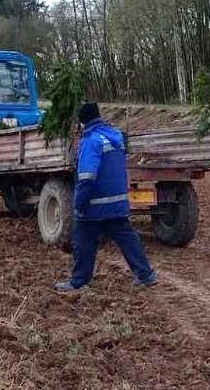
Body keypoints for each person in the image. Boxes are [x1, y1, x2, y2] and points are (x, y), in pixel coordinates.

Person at [54, 102, 159, 292]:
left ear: (82, 122)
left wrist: (79, 205)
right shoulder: (115, 136)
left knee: (82, 240)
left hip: (95, 205)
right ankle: (146, 275)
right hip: (118, 203)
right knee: (128, 239)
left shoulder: (90, 141)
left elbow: (86, 177)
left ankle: (78, 281)